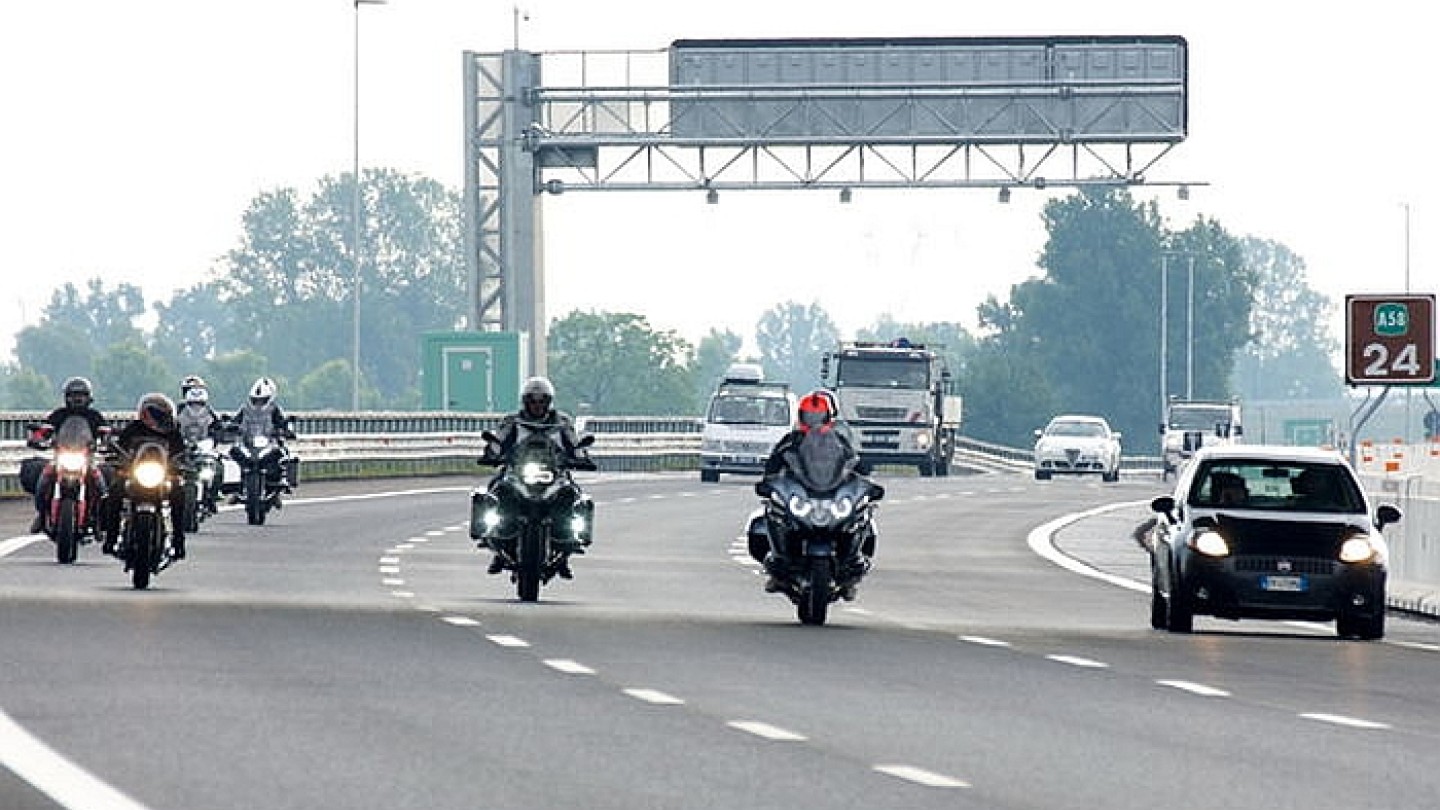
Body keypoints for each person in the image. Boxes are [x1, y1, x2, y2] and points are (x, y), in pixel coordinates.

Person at [758, 389, 879, 589]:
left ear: (828, 417)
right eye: (809, 416)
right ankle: (780, 561)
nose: (813, 421)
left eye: (818, 416)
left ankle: (851, 561)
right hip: (801, 492)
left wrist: (867, 484)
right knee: (773, 514)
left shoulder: (839, 441)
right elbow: (773, 464)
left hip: (831, 492)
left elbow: (856, 462)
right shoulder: (791, 441)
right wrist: (769, 482)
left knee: (861, 517)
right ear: (801, 416)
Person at [477, 376, 594, 578]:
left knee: (572, 494)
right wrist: (492, 453)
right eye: (533, 401)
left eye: (542, 401)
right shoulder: (513, 422)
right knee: (497, 488)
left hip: (554, 473)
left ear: (549, 402)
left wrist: (581, 456)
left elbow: (574, 444)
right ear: (525, 401)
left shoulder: (562, 422)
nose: (537, 406)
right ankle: (497, 542)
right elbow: (499, 441)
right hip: (518, 472)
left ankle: (566, 547)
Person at [100, 393, 189, 559]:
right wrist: (117, 457)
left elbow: (182, 453)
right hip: (135, 473)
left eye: (162, 414)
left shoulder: (173, 433)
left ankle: (179, 540)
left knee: (179, 493)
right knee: (115, 491)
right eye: (156, 414)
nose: (159, 418)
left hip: (162, 474)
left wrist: (181, 464)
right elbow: (120, 447)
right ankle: (111, 537)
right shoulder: (133, 429)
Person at [30, 377, 109, 534]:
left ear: (88, 398)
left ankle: (101, 520)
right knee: (43, 481)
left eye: (81, 395)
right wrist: (38, 438)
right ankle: (41, 515)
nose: (77, 399)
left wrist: (106, 441)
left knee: (101, 486)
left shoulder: (94, 416)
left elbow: (105, 432)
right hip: (61, 457)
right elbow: (45, 429)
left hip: (86, 459)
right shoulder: (59, 415)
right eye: (73, 395)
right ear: (66, 397)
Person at [233, 376, 296, 495]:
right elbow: (236, 421)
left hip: (270, 441)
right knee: (234, 452)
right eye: (256, 400)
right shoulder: (245, 409)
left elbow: (283, 422)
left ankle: (282, 479)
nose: (259, 402)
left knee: (283, 453)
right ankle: (238, 485)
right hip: (249, 442)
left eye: (262, 400)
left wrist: (287, 430)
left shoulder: (275, 409)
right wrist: (231, 427)